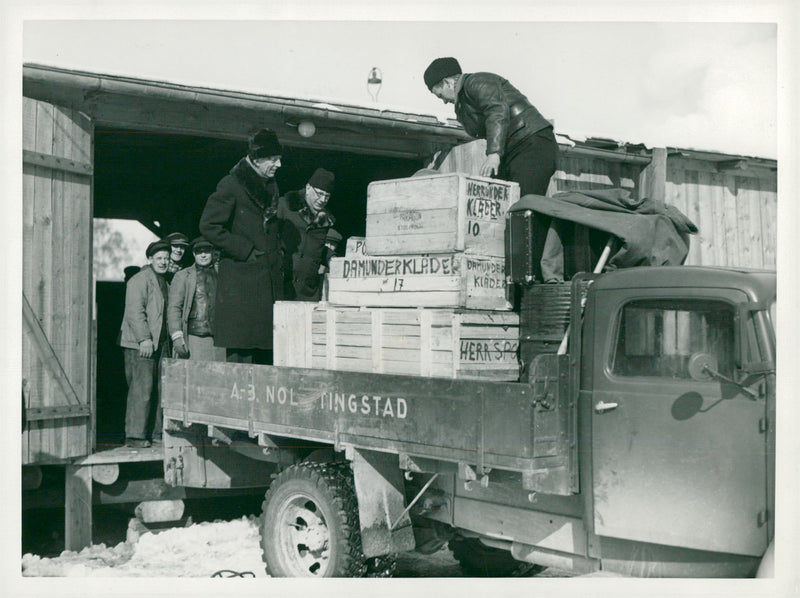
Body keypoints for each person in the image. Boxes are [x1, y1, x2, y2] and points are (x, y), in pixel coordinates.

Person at [423, 57, 563, 281]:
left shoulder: (477, 82)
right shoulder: (463, 103)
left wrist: (494, 154)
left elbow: (497, 111)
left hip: (532, 144)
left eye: (439, 94)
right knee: (503, 210)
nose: (442, 101)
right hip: (515, 151)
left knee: (525, 211)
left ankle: (534, 279)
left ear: (448, 82)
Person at [198, 128, 284, 364]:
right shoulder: (231, 185)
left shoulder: (270, 185)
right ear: (257, 159)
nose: (279, 165)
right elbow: (208, 225)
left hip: (265, 288)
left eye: (279, 159)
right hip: (242, 289)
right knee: (241, 363)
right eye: (274, 159)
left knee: (266, 363)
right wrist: (245, 251)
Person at [118, 240, 171, 448]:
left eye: (166, 258)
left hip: (160, 344)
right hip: (140, 344)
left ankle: (156, 432)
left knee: (158, 389)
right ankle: (135, 436)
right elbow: (134, 312)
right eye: (159, 258)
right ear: (150, 259)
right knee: (142, 389)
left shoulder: (165, 281)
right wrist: (144, 339)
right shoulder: (139, 280)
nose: (163, 262)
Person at [278, 168, 336, 302]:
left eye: (327, 196)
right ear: (308, 187)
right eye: (320, 194)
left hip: (307, 293)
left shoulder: (325, 220)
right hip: (281, 287)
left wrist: (331, 258)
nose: (322, 200)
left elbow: (316, 248)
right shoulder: (285, 206)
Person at [167, 237, 226, 362]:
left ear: (213, 252)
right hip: (194, 338)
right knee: (196, 378)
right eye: (199, 252)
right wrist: (177, 336)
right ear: (194, 254)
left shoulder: (223, 274)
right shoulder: (183, 276)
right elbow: (174, 308)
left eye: (207, 251)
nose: (203, 255)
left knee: (219, 378)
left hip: (221, 339)